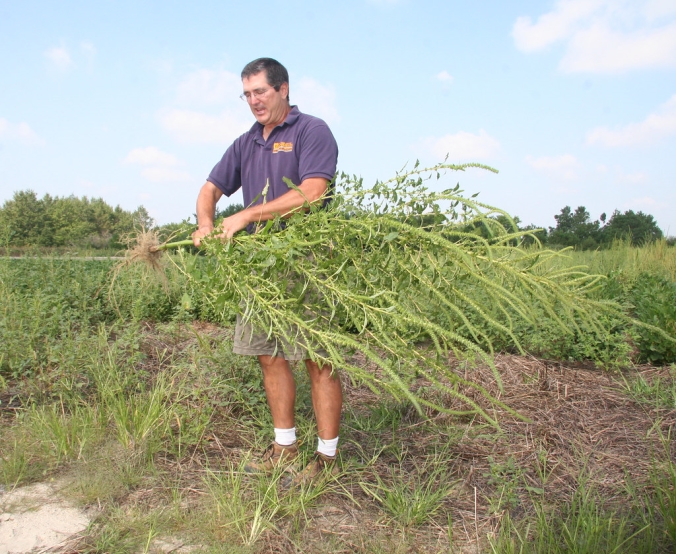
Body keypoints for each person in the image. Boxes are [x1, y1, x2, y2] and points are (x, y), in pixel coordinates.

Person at [191, 58, 341, 486]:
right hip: (258, 267)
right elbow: (209, 189)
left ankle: (327, 458)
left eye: (260, 91)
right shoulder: (246, 143)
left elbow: (313, 193)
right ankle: (284, 448)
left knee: (318, 358)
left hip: (308, 260)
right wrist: (206, 222)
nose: (253, 100)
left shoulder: (312, 130)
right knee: (269, 355)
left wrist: (245, 216)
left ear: (283, 89)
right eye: (247, 94)